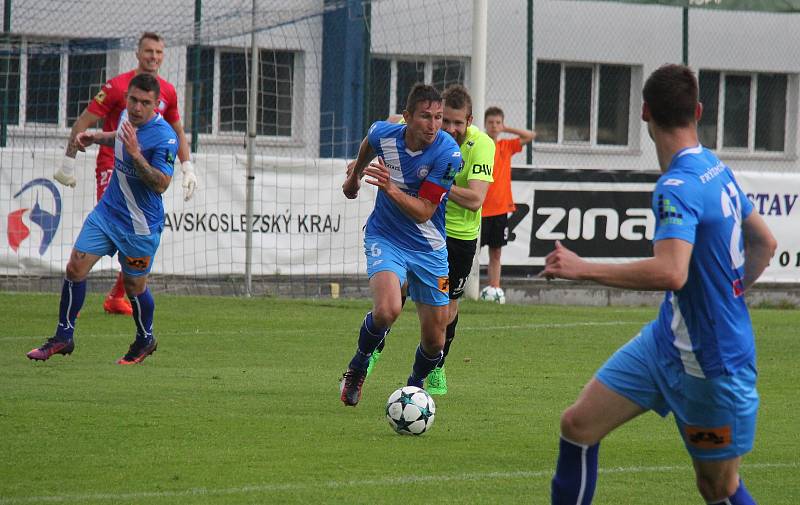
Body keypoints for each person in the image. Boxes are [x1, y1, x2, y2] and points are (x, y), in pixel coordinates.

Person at [543, 64, 776, 505]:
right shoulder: (715, 168)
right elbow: (764, 240)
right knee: (578, 425)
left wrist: (581, 268)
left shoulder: (677, 185)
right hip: (665, 342)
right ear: (699, 110)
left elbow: (672, 272)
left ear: (645, 112)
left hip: (711, 365)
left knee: (718, 487)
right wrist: (730, 291)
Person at [27, 73, 179, 365]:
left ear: (156, 104)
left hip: (140, 226)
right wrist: (97, 137)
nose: (136, 107)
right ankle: (63, 336)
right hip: (107, 213)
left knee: (135, 287)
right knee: (75, 267)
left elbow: (161, 183)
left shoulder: (165, 138)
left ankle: (145, 338)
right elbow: (120, 139)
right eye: (133, 100)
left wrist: (136, 155)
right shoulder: (125, 116)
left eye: (145, 103)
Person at [54, 32, 197, 316]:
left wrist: (187, 166)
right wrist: (68, 161)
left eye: (158, 52)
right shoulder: (118, 86)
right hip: (112, 163)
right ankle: (79, 283)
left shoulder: (167, 91)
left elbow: (177, 131)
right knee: (115, 221)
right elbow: (86, 120)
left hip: (146, 170)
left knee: (135, 228)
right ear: (137, 53)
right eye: (148, 51)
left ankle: (117, 293)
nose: (153, 57)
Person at [366, 84, 495, 396]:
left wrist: (435, 186)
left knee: (447, 310)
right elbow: (391, 122)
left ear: (470, 121)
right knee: (397, 292)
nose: (447, 128)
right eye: (443, 120)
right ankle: (373, 349)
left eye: (456, 123)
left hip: (458, 235)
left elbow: (476, 200)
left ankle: (436, 366)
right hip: (415, 227)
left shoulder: (481, 145)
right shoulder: (423, 130)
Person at [339, 83, 462, 406]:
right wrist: (354, 178)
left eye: (439, 117)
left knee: (436, 341)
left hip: (430, 249)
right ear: (407, 117)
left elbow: (424, 212)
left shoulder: (448, 154)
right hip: (386, 236)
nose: (434, 125)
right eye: (426, 117)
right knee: (387, 309)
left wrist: (391, 189)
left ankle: (414, 387)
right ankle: (358, 365)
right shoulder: (386, 134)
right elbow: (369, 141)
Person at [480, 107, 535, 301]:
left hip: (500, 210)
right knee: (470, 252)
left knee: (496, 253)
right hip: (479, 210)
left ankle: (494, 289)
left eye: (498, 123)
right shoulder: (480, 145)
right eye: (491, 122)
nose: (494, 126)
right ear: (485, 124)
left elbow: (530, 135)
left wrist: (507, 128)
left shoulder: (505, 146)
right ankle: (460, 289)